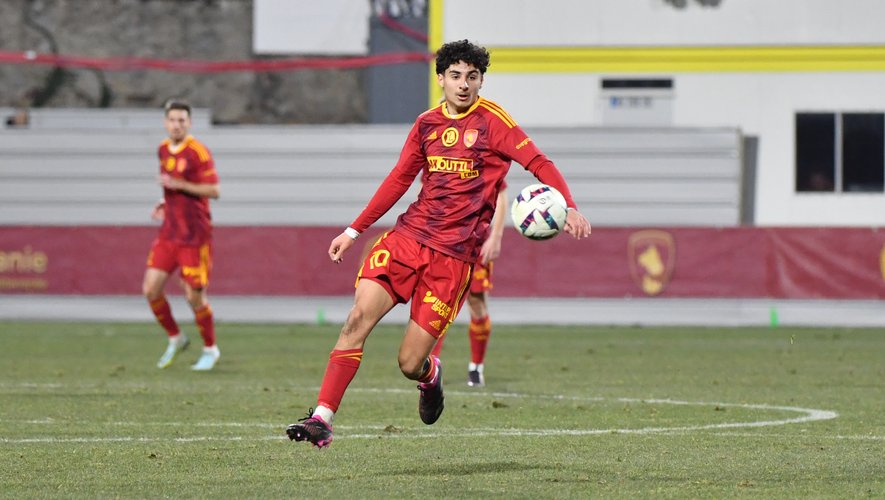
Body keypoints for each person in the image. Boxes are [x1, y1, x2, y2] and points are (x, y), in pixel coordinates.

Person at [286, 39, 591, 448]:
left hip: (453, 260)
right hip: (407, 240)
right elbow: (398, 180)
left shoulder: (494, 122)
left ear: (481, 81)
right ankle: (322, 417)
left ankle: (431, 377)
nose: (463, 84)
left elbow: (540, 164)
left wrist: (568, 206)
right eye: (455, 76)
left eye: (472, 77)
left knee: (409, 363)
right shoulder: (426, 124)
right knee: (357, 319)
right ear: (441, 79)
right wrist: (353, 230)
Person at [142, 99, 221, 371]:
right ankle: (176, 338)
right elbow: (172, 188)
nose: (177, 125)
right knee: (150, 290)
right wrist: (165, 202)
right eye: (172, 120)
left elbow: (214, 191)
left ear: (189, 123)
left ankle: (211, 348)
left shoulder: (198, 153)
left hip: (194, 236)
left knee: (194, 297)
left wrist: (180, 185)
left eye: (182, 120)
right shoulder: (163, 149)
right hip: (169, 233)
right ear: (166, 122)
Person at [429, 186, 508, 387]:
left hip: (477, 241)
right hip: (444, 240)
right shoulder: (437, 155)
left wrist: (496, 236)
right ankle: (431, 365)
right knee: (438, 303)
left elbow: (500, 194)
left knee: (477, 304)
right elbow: (427, 192)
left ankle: (476, 368)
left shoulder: (485, 155)